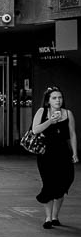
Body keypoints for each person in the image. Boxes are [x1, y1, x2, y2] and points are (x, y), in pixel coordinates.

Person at [31, 86, 78, 229]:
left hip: (63, 154)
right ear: (48, 100)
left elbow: (72, 134)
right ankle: (48, 219)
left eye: (60, 97)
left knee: (64, 183)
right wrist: (50, 121)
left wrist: (75, 153)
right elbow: (35, 130)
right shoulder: (42, 111)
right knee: (49, 184)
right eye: (54, 98)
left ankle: (55, 216)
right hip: (46, 154)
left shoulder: (68, 114)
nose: (58, 100)